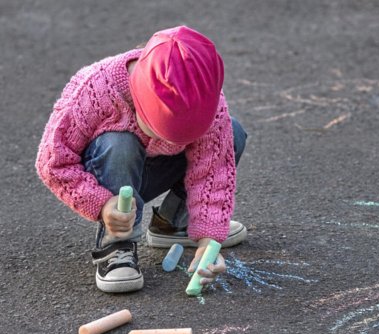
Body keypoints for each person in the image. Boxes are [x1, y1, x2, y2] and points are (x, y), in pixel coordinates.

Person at [35, 26, 248, 293]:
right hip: (110, 178)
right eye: (158, 129)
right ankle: (117, 245)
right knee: (119, 144)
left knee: (231, 134)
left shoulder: (205, 98)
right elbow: (53, 162)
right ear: (140, 96)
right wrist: (101, 204)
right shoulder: (94, 90)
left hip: (156, 170)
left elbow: (212, 170)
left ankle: (174, 223)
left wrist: (208, 239)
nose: (170, 141)